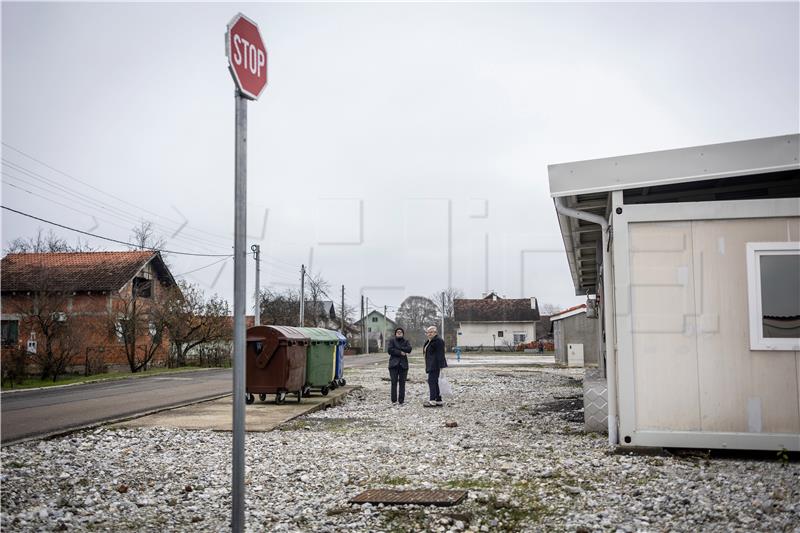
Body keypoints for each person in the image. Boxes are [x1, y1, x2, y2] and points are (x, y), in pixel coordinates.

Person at [422, 325, 447, 407]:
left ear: (435, 333)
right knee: (435, 382)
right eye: (428, 332)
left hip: (435, 365)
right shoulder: (429, 341)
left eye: (431, 332)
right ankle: (438, 400)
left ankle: (432, 400)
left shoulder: (438, 341)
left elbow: (441, 354)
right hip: (430, 364)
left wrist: (441, 366)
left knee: (431, 381)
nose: (429, 334)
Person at [386, 327, 411, 406]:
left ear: (403, 333)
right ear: (395, 334)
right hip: (393, 365)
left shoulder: (406, 341)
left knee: (402, 383)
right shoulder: (392, 341)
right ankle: (394, 400)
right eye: (398, 332)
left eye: (401, 332)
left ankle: (401, 401)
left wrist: (397, 349)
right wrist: (400, 352)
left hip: (403, 365)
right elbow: (390, 350)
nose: (399, 333)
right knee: (393, 383)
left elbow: (409, 349)